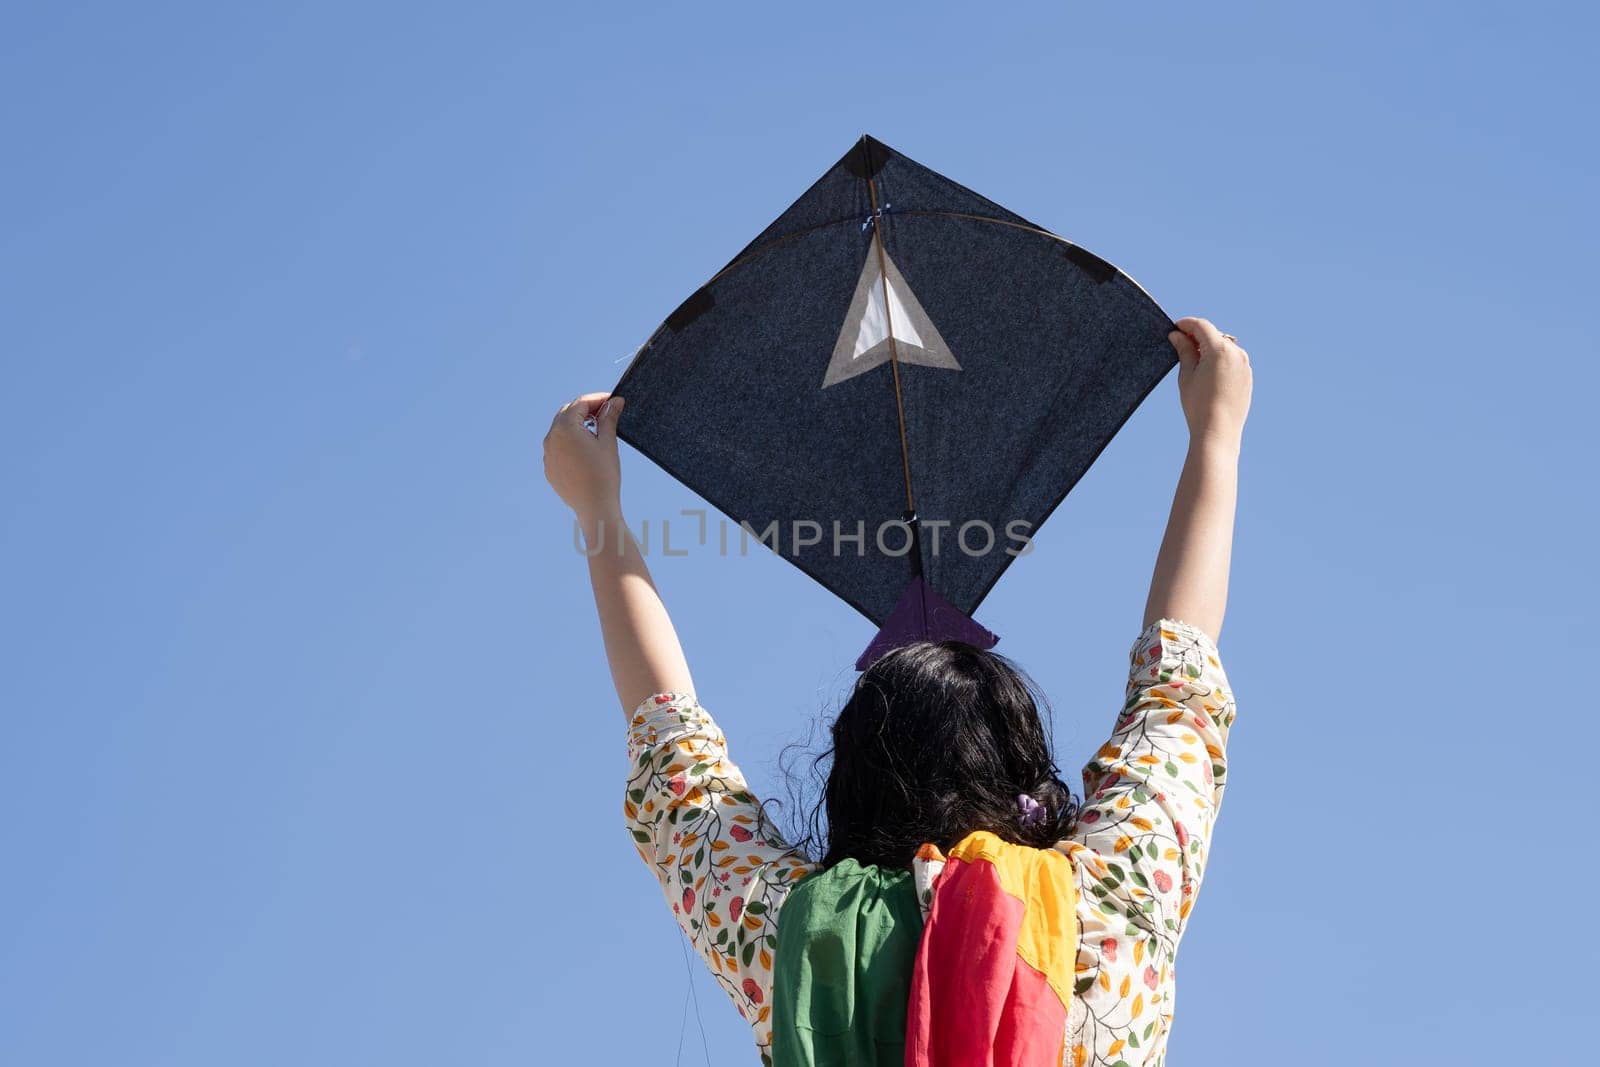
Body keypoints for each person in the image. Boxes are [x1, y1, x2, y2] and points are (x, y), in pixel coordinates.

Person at [543, 317, 1252, 1066]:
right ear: (1023, 768)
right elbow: (1179, 683)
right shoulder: (1109, 907)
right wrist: (1217, 433)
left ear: (850, 782)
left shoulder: (796, 944)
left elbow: (673, 749)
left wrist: (598, 509)